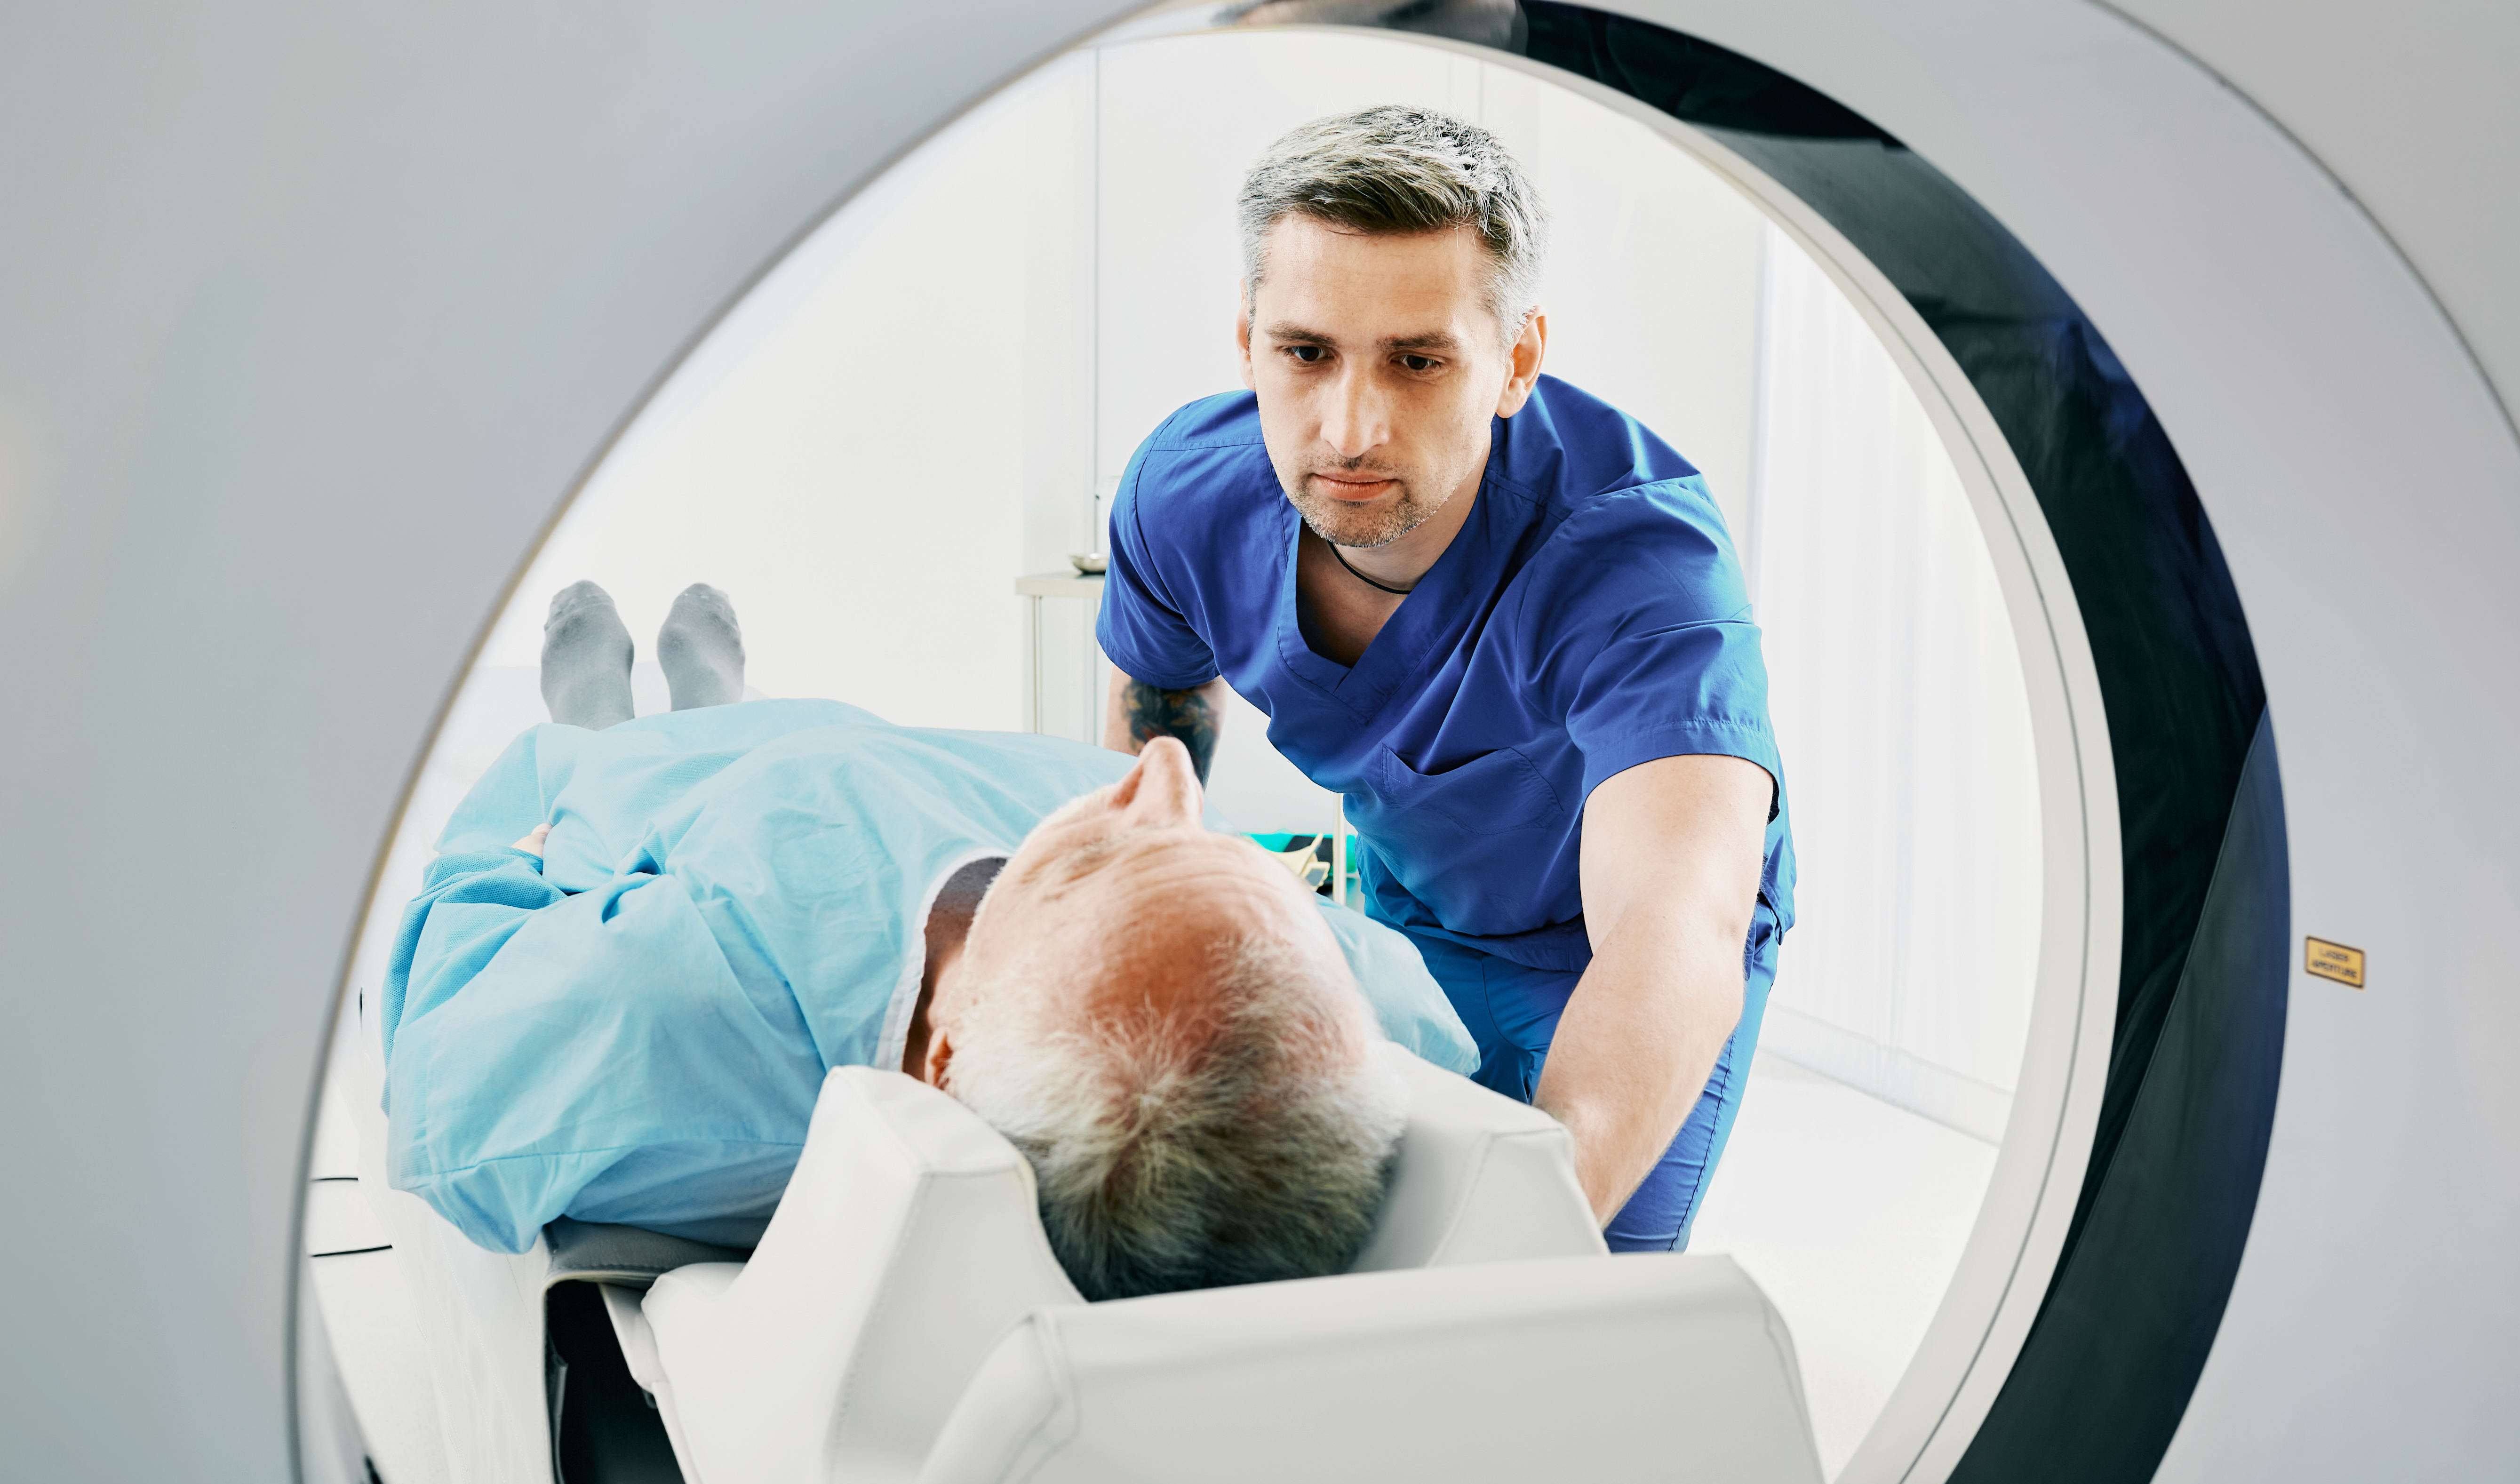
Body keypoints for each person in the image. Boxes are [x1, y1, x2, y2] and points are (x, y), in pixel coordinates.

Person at [1099, 106, 1788, 1253]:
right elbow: (1155, 732)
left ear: (1515, 363)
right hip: (1419, 907)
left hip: (1612, 947)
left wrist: (1519, 1253)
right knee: (1325, 1231)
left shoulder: (1637, 560)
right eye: (1306, 353)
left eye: (1418, 362)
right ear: (1247, 340)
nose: (1350, 427)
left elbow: (1677, 916)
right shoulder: (1185, 493)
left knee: (1556, 1278)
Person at [382, 581, 1475, 1300]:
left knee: (606, 758)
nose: (1167, 772)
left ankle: (595, 715)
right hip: (894, 763)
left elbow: (442, 1069)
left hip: (668, 818)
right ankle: (723, 695)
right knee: (777, 721)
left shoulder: (679, 1021)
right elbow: (1423, 1021)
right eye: (1213, 851)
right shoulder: (1365, 1015)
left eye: (1101, 864)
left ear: (944, 1059)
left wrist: (511, 861)